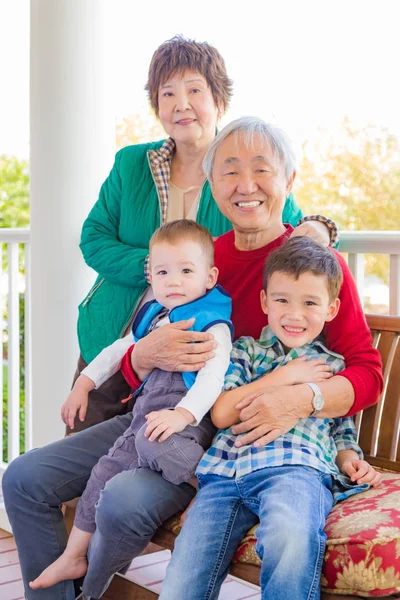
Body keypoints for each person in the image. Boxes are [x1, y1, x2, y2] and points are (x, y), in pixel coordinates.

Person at [3, 117, 382, 600]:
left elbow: (367, 372)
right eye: (228, 171)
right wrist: (142, 354)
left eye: (261, 169)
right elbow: (139, 349)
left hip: (209, 440)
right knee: (24, 478)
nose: (245, 185)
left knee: (121, 498)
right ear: (212, 183)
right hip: (154, 414)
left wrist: (303, 398)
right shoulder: (201, 261)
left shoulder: (309, 267)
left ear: (289, 181)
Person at [73, 35, 335, 433]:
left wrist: (323, 227)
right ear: (157, 105)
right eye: (168, 93)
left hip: (196, 353)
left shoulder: (237, 170)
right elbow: (93, 238)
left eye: (195, 90)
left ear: (218, 99)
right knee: (75, 463)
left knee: (150, 455)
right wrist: (156, 268)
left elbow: (291, 227)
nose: (181, 105)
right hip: (119, 335)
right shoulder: (130, 165)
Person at [158, 236, 382, 600]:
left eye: (310, 302)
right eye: (282, 300)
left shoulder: (330, 367)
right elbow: (222, 411)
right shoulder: (245, 351)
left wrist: (352, 461)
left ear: (331, 308)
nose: (294, 314)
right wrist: (285, 376)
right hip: (223, 477)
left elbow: (342, 432)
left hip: (296, 470)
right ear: (265, 301)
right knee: (186, 569)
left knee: (291, 536)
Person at [29, 219, 233, 591]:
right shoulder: (154, 317)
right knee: (101, 475)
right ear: (151, 277)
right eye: (163, 272)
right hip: (142, 421)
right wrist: (84, 384)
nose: (173, 281)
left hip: (186, 425)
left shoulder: (213, 324)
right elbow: (117, 350)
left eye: (186, 271)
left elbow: (212, 378)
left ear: (209, 276)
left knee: (153, 442)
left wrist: (182, 414)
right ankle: (73, 557)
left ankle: (207, 480)